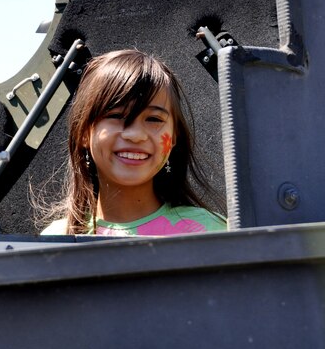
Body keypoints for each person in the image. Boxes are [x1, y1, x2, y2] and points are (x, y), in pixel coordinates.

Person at [40, 49, 226, 236]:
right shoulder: (57, 239)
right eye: (115, 115)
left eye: (154, 119)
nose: (136, 135)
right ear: (83, 133)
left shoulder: (213, 233)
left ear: (174, 136)